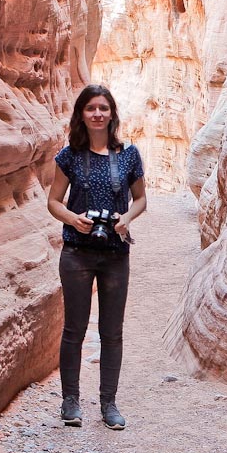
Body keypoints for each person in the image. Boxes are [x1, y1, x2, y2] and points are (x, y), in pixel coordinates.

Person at [47, 84, 146, 430]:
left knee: (112, 332)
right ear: (82, 114)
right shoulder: (69, 155)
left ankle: (109, 404)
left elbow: (141, 200)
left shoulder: (129, 155)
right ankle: (70, 402)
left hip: (115, 252)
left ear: (112, 113)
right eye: (91, 108)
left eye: (103, 108)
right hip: (77, 251)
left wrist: (126, 219)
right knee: (74, 329)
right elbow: (54, 201)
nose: (98, 114)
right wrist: (75, 219)